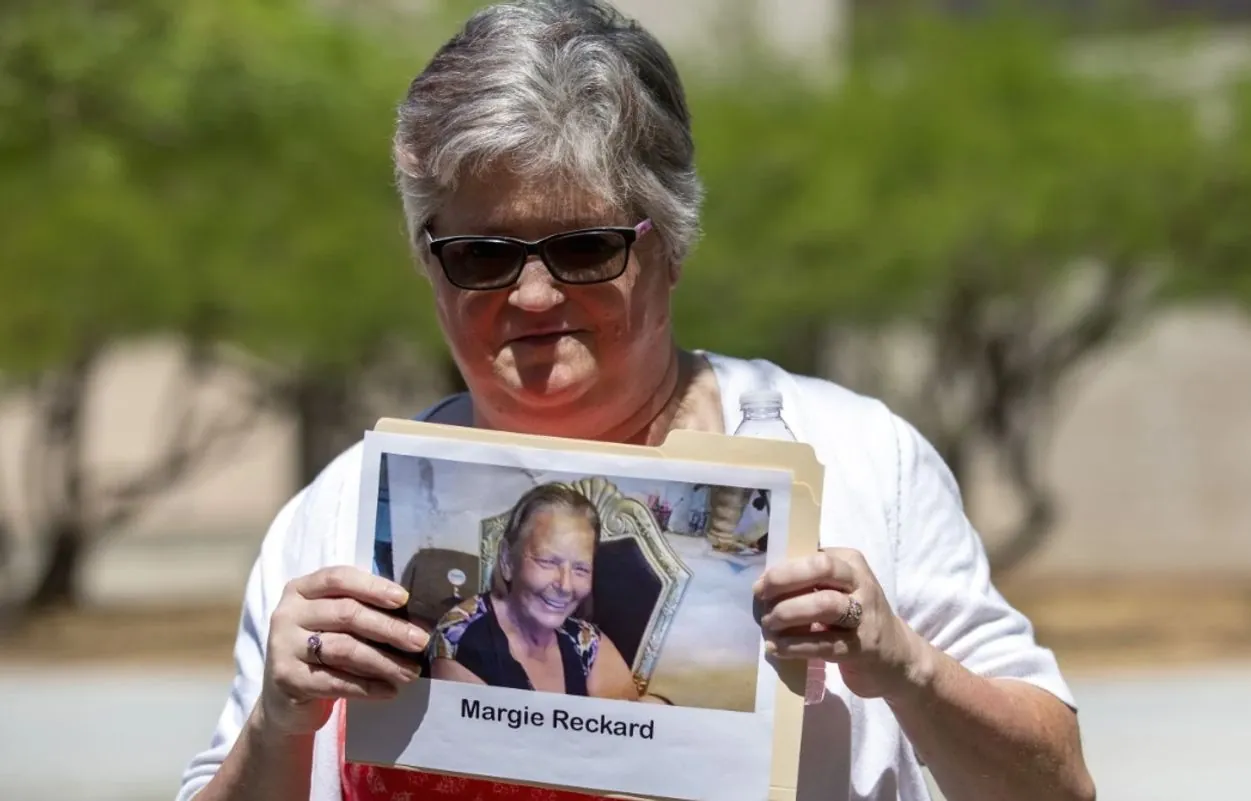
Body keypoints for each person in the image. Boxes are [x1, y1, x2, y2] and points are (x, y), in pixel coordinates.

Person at [178, 2, 1095, 800]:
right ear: (430, 262)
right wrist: (279, 722)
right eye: (483, 255)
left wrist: (905, 665)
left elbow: (1056, 787)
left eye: (584, 247)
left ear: (672, 245)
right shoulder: (337, 513)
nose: (533, 295)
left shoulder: (859, 458)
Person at [426, 482, 638, 700]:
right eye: (547, 562)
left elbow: (629, 717)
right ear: (508, 560)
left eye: (581, 568)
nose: (565, 586)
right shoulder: (460, 642)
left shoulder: (586, 642)